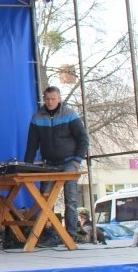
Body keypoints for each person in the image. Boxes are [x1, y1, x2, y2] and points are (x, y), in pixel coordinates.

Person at [23, 86, 89, 235]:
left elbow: (83, 139)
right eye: (47, 99)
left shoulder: (70, 114)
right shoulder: (37, 117)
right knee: (45, 199)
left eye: (53, 99)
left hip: (69, 162)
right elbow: (32, 145)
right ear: (43, 99)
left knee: (71, 200)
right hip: (49, 164)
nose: (50, 102)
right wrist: (27, 166)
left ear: (59, 99)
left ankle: (71, 234)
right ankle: (48, 233)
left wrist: (77, 160)